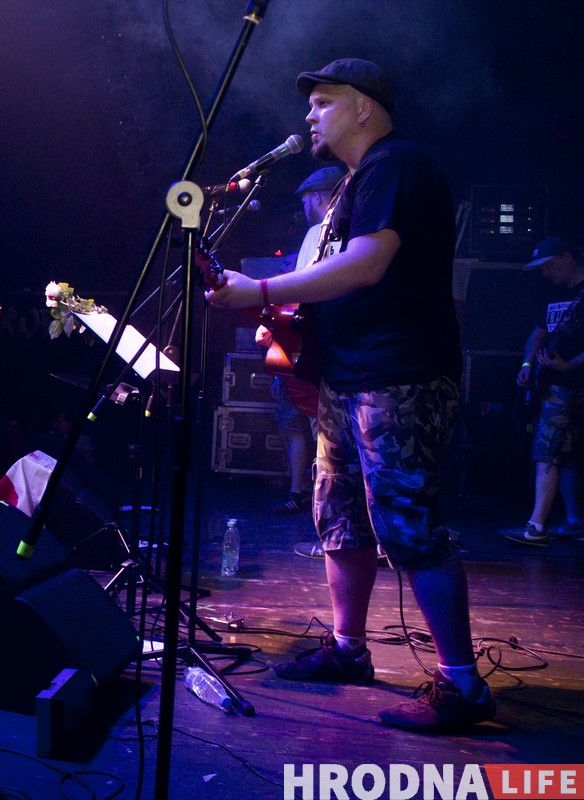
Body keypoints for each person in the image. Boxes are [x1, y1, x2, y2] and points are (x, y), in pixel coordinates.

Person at [205, 58, 493, 732]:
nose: (309, 115)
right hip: (349, 375)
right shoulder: (354, 185)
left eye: (324, 102)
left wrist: (262, 291)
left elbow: (367, 265)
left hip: (398, 375)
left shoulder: (396, 166)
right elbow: (337, 284)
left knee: (409, 522)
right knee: (341, 515)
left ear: (364, 107)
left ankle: (462, 683)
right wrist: (281, 317)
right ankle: (348, 648)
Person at [263, 166, 344, 517]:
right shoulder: (351, 231)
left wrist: (273, 323)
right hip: (328, 346)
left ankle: (311, 501)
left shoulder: (318, 232)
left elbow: (301, 289)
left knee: (312, 426)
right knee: (319, 429)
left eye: (307, 200)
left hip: (309, 347)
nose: (305, 208)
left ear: (319, 197)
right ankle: (319, 503)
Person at [501, 236, 584, 546]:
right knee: (565, 455)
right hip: (554, 385)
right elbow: (538, 333)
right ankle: (574, 521)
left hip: (572, 385)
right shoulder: (552, 293)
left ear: (567, 257)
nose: (545, 273)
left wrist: (570, 365)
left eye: (548, 266)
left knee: (547, 452)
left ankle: (536, 526)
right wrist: (527, 364)